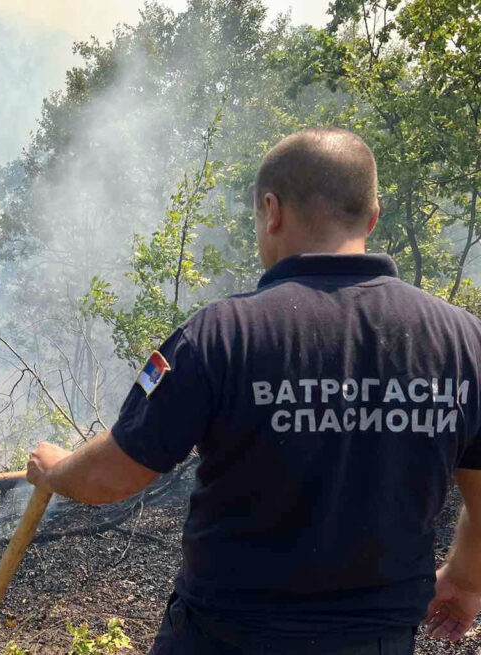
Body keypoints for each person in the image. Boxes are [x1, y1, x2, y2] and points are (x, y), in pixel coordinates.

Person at [26, 128, 481, 654]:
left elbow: (113, 475)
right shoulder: (463, 341)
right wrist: (467, 580)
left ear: (272, 210)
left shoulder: (219, 335)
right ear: (372, 217)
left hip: (225, 640)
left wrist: (56, 469)